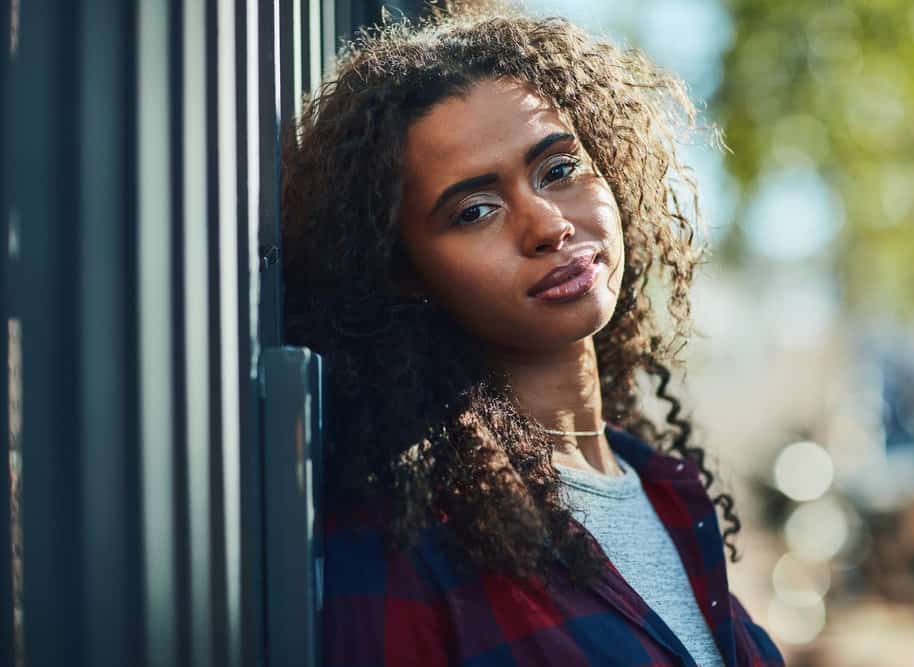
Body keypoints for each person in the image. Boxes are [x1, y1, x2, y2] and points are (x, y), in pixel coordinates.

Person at [281, 4, 783, 665]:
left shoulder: (665, 489)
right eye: (476, 210)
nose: (547, 224)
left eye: (558, 169)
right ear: (405, 271)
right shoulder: (406, 537)